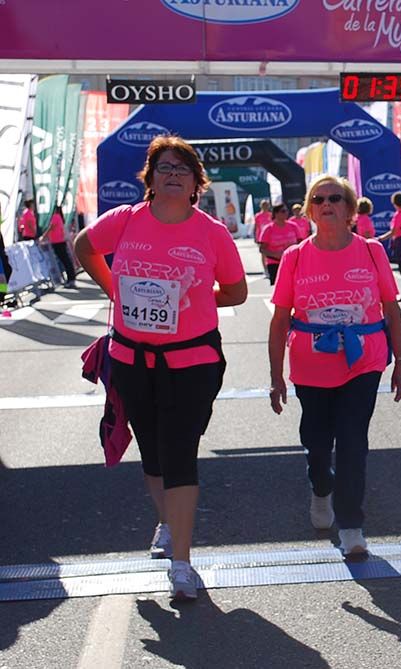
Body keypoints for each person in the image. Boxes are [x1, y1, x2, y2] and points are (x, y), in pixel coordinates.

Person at [73, 135, 248, 601]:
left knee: (180, 452)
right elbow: (83, 247)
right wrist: (116, 290)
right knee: (152, 453)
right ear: (150, 178)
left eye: (182, 169)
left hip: (191, 361)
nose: (173, 174)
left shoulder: (211, 232)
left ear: (196, 183)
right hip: (131, 358)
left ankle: (183, 564)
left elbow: (236, 292)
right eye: (164, 167)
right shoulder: (125, 221)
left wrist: (191, 298)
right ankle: (169, 522)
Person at [267, 175, 401, 557]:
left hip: (363, 362)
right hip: (311, 365)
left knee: (352, 443)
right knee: (316, 443)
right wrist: (275, 375)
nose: (326, 203)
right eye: (319, 199)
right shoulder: (295, 257)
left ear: (349, 209)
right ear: (310, 210)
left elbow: (391, 308)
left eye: (335, 198)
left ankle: (351, 526)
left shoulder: (371, 252)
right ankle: (320, 488)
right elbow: (280, 319)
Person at [258, 203, 300, 286]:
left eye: (286, 211)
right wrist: (276, 254)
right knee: (280, 288)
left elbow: (301, 242)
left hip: (293, 262)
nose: (286, 213)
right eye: (283, 211)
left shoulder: (293, 226)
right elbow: (262, 249)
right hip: (275, 263)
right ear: (276, 213)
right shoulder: (268, 229)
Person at [41, 205, 76, 288]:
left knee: (65, 260)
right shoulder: (59, 217)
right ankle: (70, 279)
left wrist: (43, 236)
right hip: (59, 241)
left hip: (58, 242)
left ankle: (71, 279)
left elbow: (51, 227)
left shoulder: (55, 216)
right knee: (65, 260)